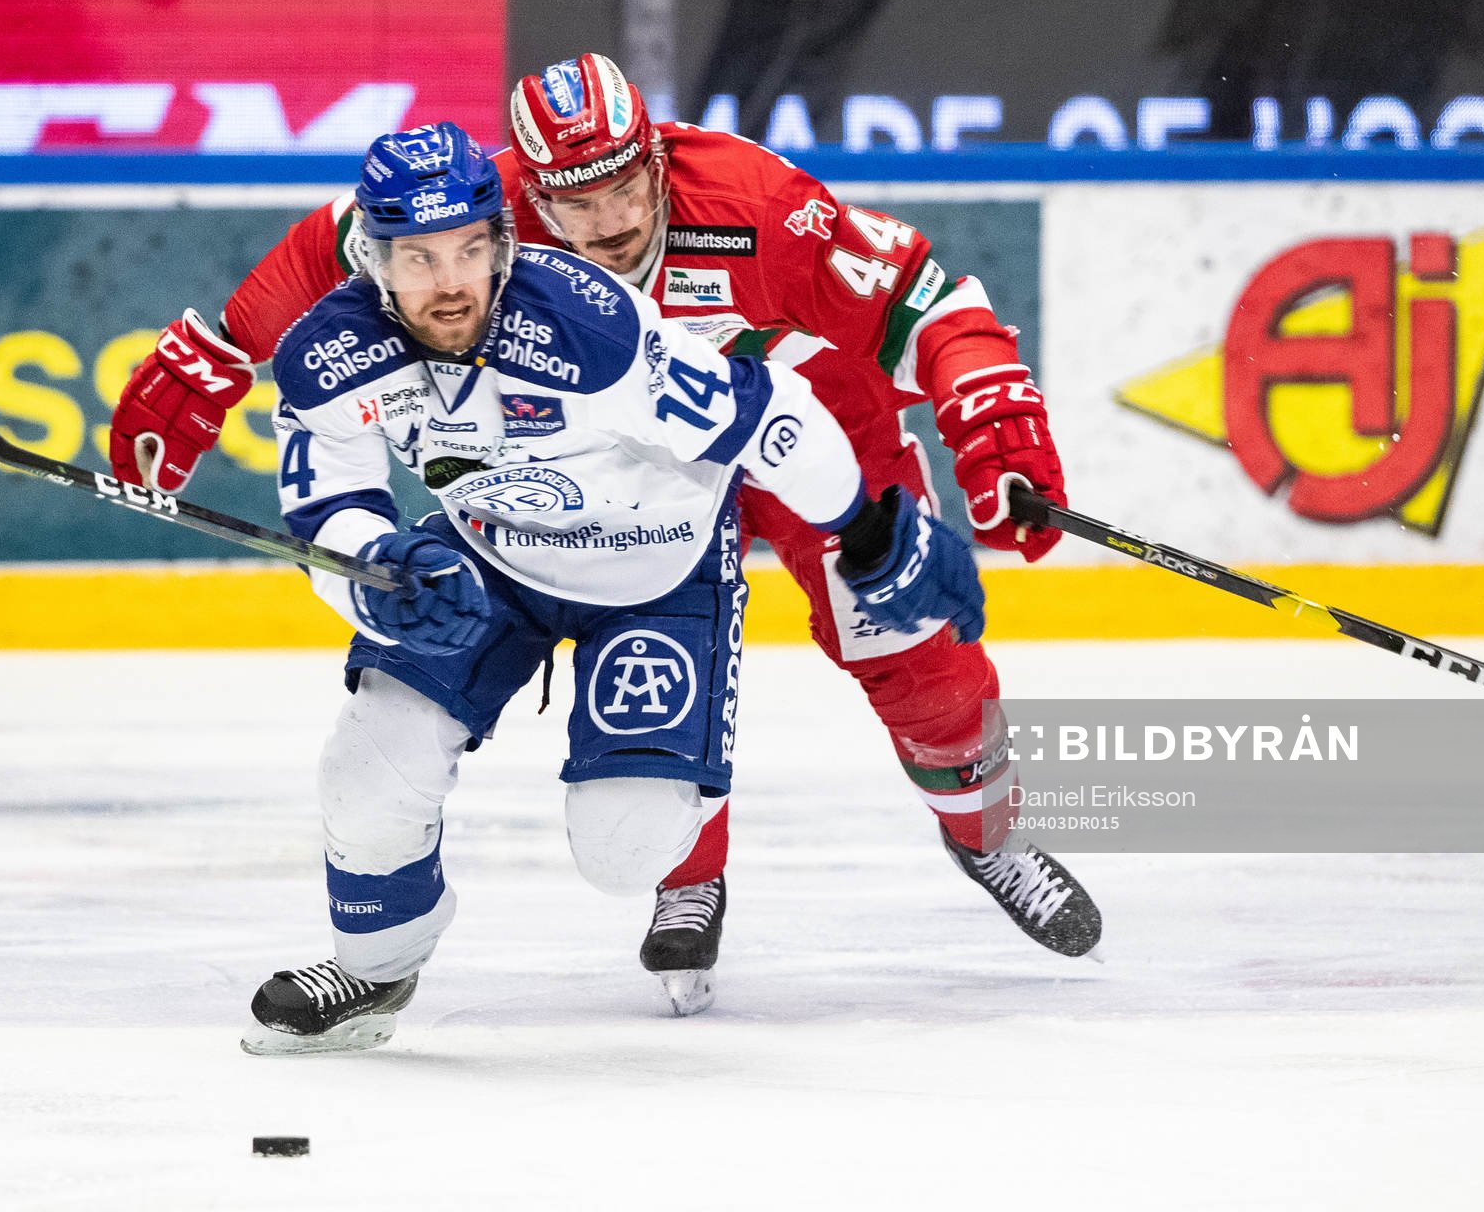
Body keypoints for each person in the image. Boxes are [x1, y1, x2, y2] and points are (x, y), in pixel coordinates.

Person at [109, 54, 1104, 987]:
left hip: (806, 417)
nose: (608, 222)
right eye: (572, 203)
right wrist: (219, 348)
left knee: (911, 641)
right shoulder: (483, 210)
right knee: (653, 621)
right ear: (527, 192)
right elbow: (333, 242)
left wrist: (994, 414)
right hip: (637, 459)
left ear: (658, 158)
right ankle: (687, 870)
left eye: (627, 189)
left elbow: (928, 301)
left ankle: (989, 833)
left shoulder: (762, 205)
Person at [241, 119, 987, 1048]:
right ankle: (376, 968)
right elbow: (329, 514)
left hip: (657, 569)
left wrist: (868, 528)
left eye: (471, 250)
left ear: (503, 243)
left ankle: (694, 846)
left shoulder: (585, 328)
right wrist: (379, 571)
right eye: (420, 258)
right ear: (373, 258)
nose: (451, 283)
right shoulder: (328, 353)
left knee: (625, 846)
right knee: (368, 766)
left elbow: (770, 413)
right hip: (487, 562)